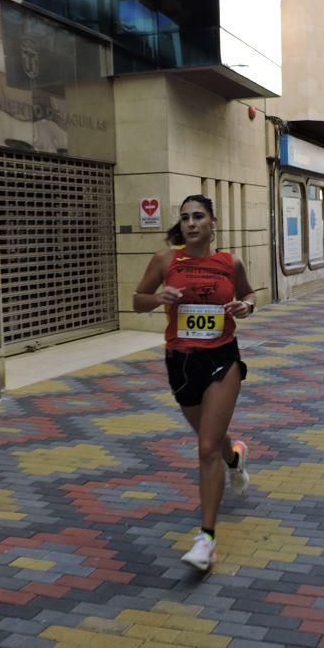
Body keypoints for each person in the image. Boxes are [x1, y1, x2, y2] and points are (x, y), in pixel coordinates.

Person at [133, 195, 255, 572]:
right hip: (181, 363)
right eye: (185, 217)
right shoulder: (165, 260)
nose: (190, 223)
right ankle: (234, 459)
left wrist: (245, 306)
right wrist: (157, 298)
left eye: (198, 216)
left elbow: (249, 294)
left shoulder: (229, 262)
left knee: (204, 447)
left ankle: (206, 540)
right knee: (213, 439)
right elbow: (137, 301)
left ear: (213, 223)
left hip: (222, 359)